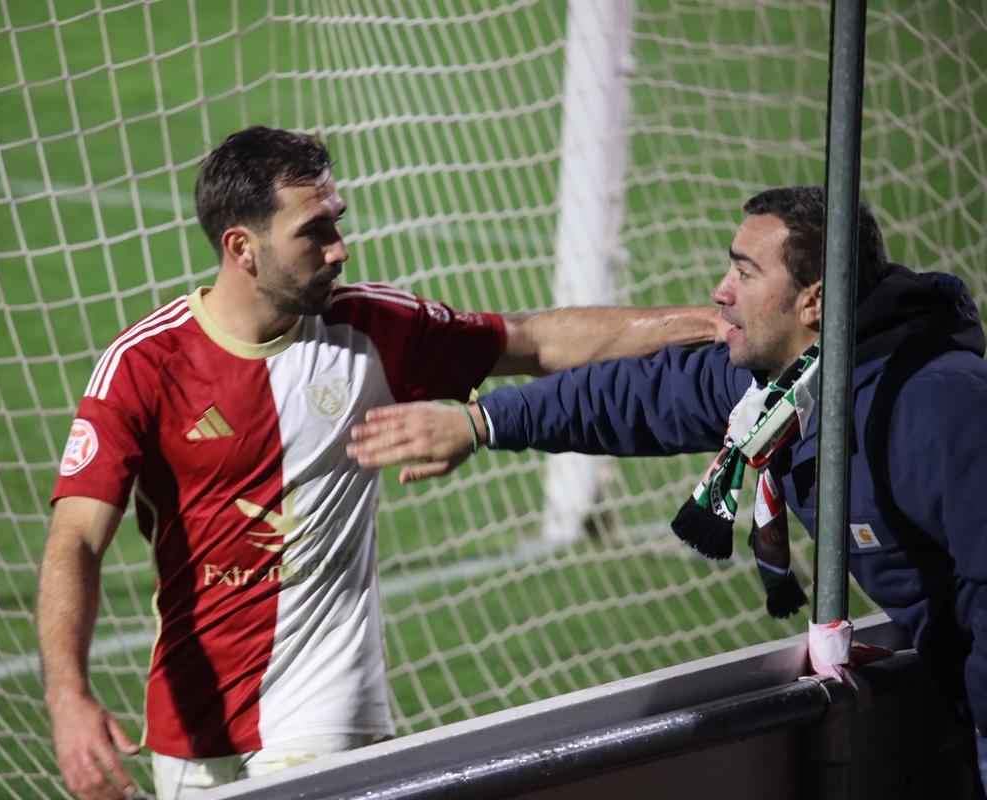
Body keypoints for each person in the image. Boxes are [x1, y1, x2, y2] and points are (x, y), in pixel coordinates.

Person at [36, 125, 729, 800]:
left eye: (337, 221)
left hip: (325, 705)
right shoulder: (143, 365)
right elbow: (76, 538)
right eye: (314, 231)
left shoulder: (369, 328)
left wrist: (712, 324)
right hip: (190, 719)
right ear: (241, 248)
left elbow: (534, 342)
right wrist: (69, 696)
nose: (340, 249)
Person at [347, 185, 987, 795]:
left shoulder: (935, 407)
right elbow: (636, 398)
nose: (720, 292)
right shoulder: (784, 388)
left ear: (813, 301)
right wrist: (482, 421)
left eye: (744, 273)